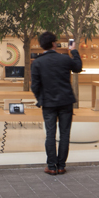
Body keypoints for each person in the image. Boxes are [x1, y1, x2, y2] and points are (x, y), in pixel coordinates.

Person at [31, 31, 82, 176]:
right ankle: (61, 166)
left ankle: (51, 166)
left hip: (48, 103)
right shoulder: (65, 59)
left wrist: (41, 99)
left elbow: (34, 86)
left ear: (42, 45)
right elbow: (78, 67)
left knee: (50, 135)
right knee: (65, 134)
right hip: (66, 101)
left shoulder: (37, 63)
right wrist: (74, 51)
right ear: (54, 44)